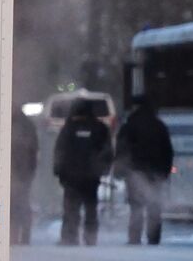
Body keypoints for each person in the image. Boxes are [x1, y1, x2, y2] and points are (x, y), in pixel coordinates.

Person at [53, 97, 112, 246]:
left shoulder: (68, 128)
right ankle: (90, 237)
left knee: (70, 208)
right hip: (91, 177)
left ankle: (69, 237)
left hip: (71, 176)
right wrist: (103, 169)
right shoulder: (100, 128)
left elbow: (60, 151)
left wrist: (59, 171)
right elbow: (107, 152)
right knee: (91, 208)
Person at [116, 95, 173, 245]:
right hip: (156, 172)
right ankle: (154, 237)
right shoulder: (159, 126)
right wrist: (165, 171)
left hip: (135, 171)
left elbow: (122, 150)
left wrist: (120, 170)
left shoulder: (129, 126)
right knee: (154, 206)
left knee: (136, 206)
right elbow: (168, 150)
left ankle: (134, 237)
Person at [10, 105, 39, 245]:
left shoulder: (12, 124)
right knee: (22, 203)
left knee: (14, 203)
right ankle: (24, 235)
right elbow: (34, 149)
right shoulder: (28, 125)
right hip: (24, 170)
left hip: (17, 170)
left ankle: (13, 235)